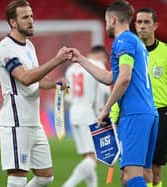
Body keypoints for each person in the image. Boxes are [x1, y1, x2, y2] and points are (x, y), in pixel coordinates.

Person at [69, 1, 159, 187]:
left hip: (134, 114)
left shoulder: (123, 41)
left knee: (132, 176)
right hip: (148, 113)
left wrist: (105, 109)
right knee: (133, 176)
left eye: (106, 21)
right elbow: (112, 77)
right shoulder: (136, 42)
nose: (106, 26)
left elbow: (124, 78)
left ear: (113, 19)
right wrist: (81, 59)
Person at [0, 1, 71, 187]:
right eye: (25, 17)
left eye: (32, 16)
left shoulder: (29, 46)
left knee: (46, 177)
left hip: (34, 123)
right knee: (18, 178)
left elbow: (37, 78)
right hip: (16, 122)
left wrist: (54, 84)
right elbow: (26, 78)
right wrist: (57, 60)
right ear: (13, 22)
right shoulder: (5, 48)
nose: (31, 21)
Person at [111, 7, 167, 187]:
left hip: (160, 115)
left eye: (147, 22)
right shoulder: (130, 49)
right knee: (127, 172)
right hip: (131, 114)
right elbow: (120, 82)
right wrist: (114, 114)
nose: (142, 26)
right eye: (139, 22)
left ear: (155, 26)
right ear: (134, 25)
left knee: (153, 171)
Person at [63, 46, 111, 187]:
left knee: (87, 156)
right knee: (93, 157)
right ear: (101, 56)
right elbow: (104, 92)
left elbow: (68, 97)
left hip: (74, 113)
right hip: (90, 114)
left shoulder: (71, 69)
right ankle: (68, 185)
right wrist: (103, 115)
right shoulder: (98, 65)